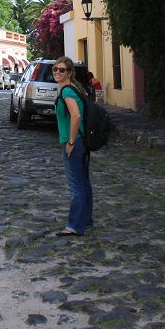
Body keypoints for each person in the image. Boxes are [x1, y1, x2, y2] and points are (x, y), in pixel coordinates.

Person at [53, 55, 93, 236]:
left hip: (75, 143)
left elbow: (76, 116)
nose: (57, 72)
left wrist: (70, 141)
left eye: (62, 70)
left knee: (76, 185)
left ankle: (75, 226)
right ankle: (86, 220)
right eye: (55, 69)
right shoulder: (73, 88)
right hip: (82, 141)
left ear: (70, 73)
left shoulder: (67, 92)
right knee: (83, 182)